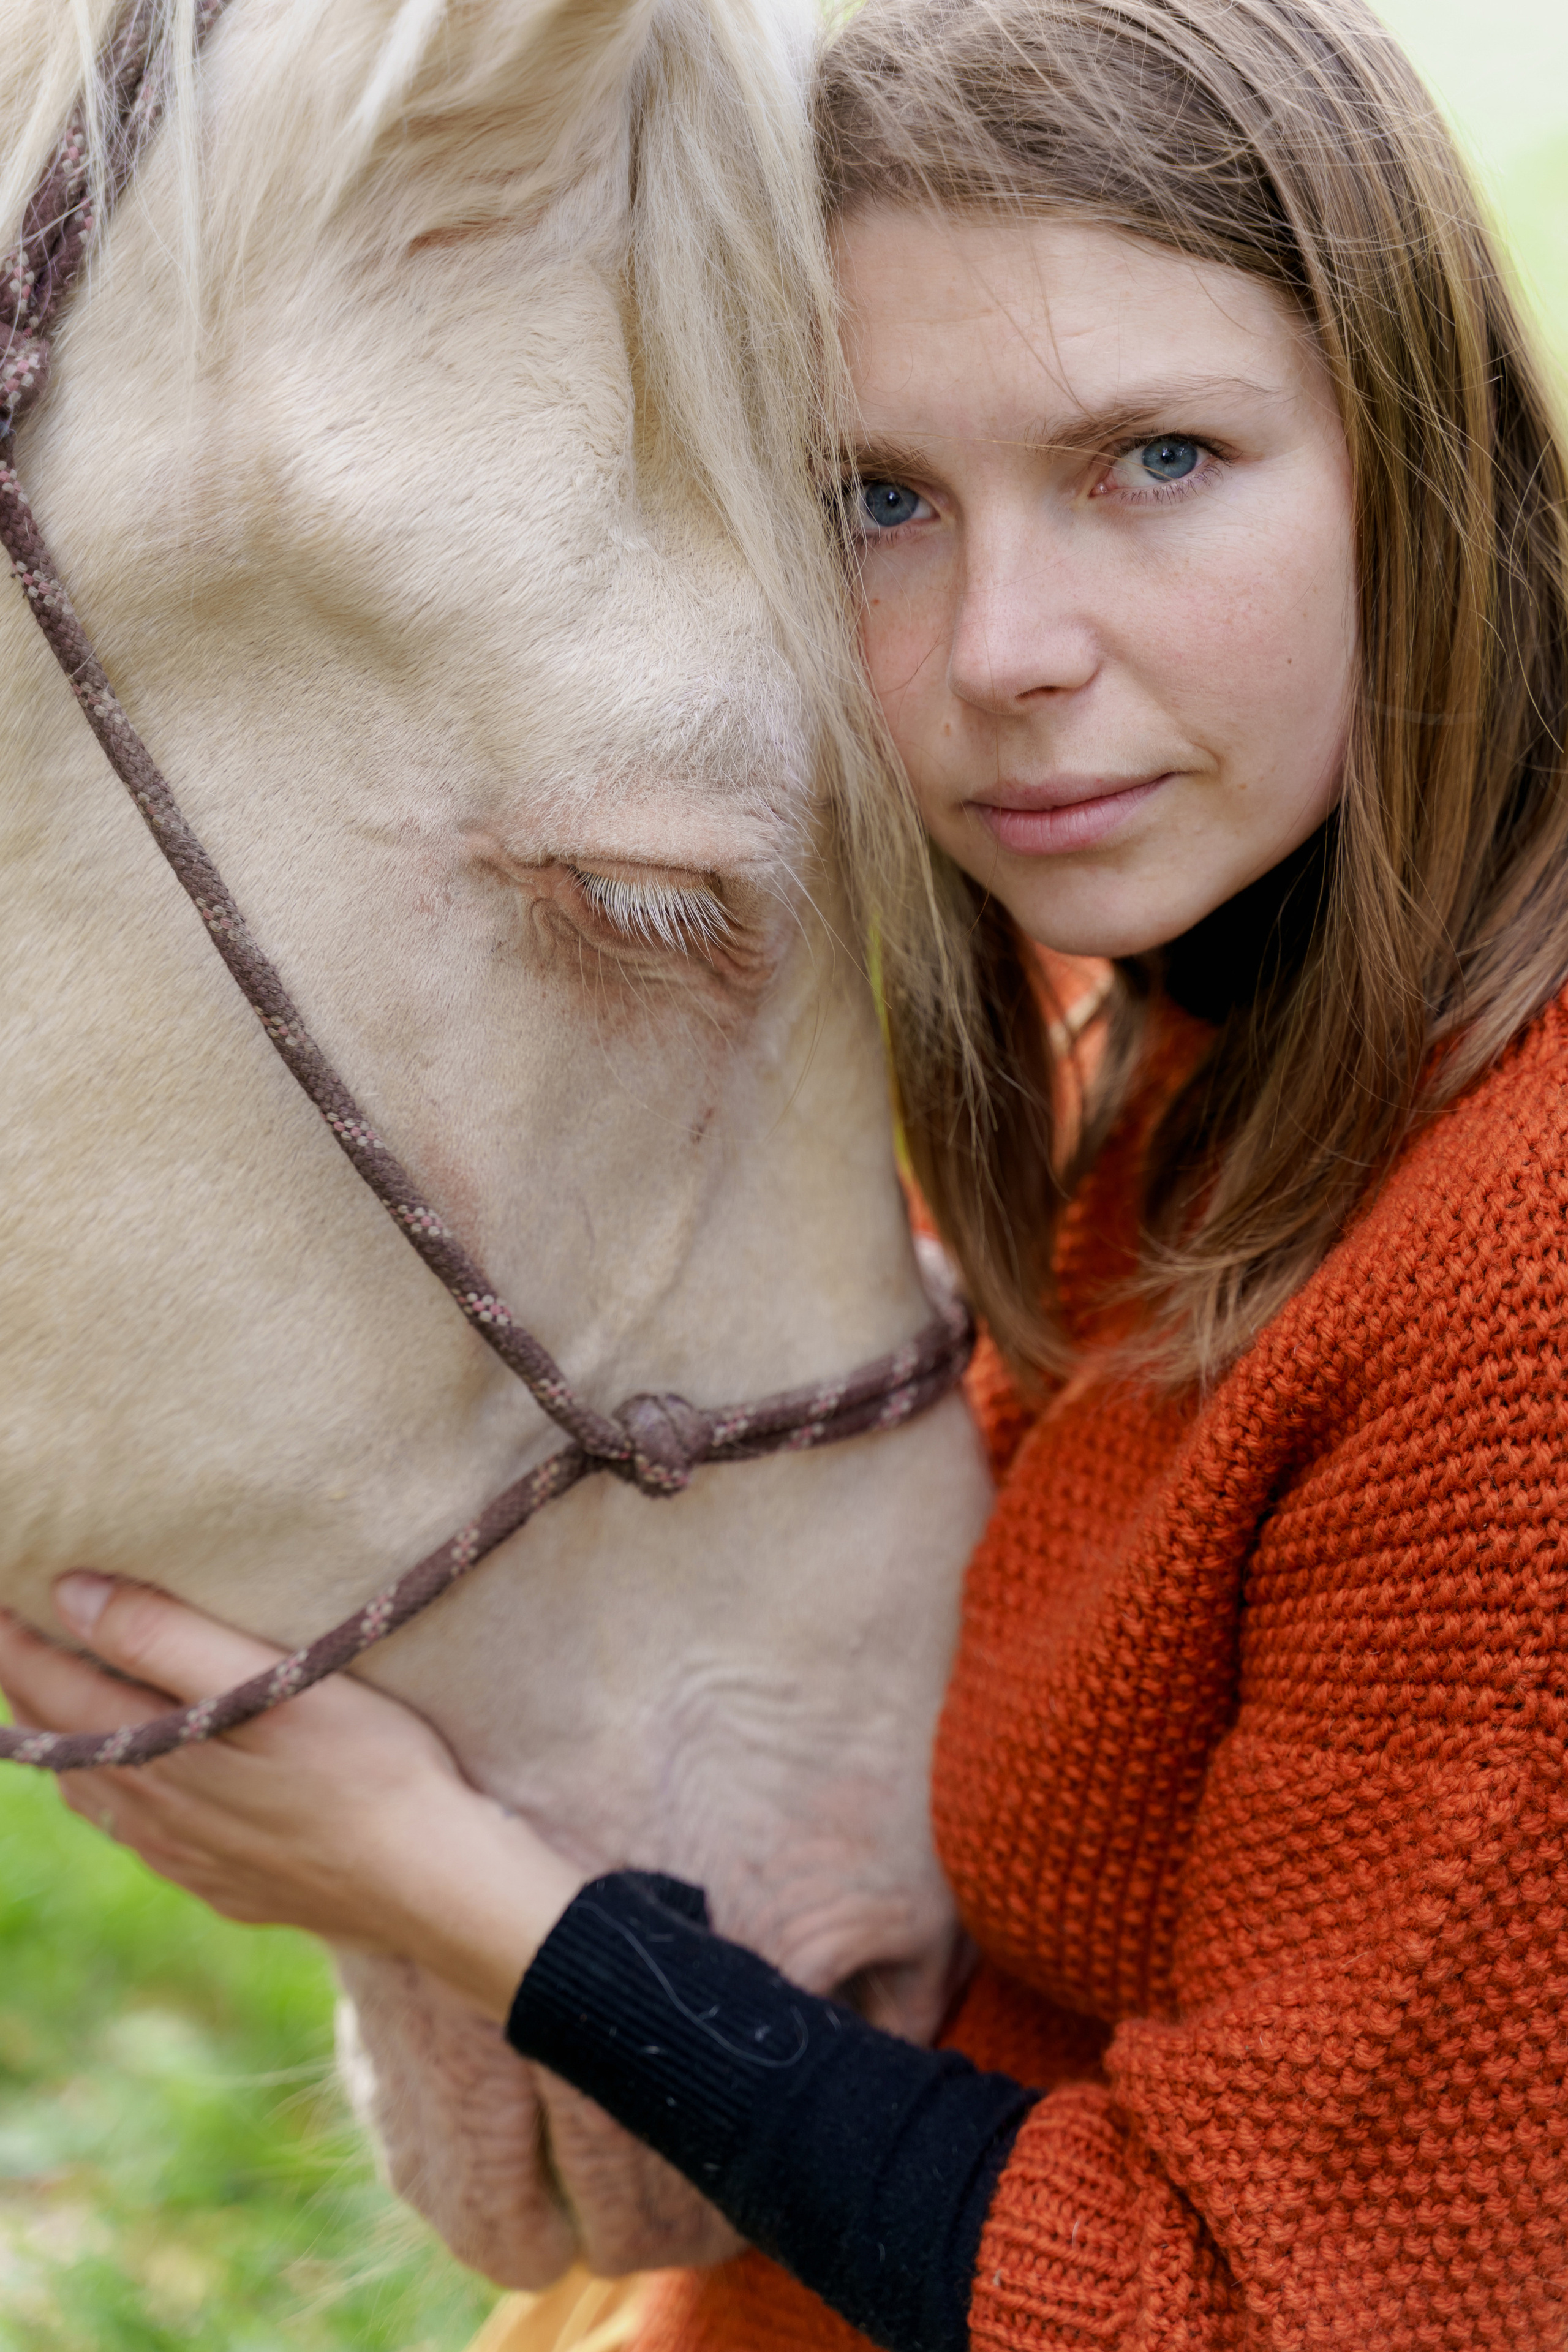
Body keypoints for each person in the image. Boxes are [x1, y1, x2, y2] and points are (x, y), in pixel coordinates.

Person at [4, 0, 1567, 2342]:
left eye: (1156, 456)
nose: (1004, 651)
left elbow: (1270, 2318)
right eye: (876, 501)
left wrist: (478, 1907)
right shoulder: (1166, 1032)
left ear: (1420, 460)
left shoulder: (1518, 1284)